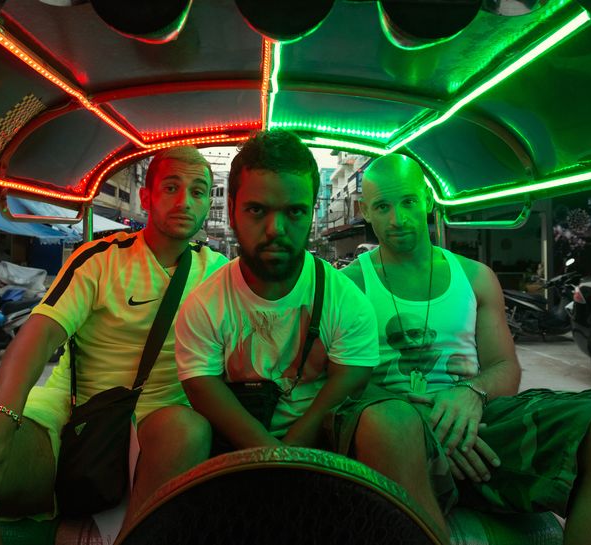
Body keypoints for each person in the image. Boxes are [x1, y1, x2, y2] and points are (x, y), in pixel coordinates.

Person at [0, 146, 228, 544]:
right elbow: (41, 332)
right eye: (171, 188)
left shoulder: (221, 274)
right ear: (146, 197)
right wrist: (0, 412)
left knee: (186, 429)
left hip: (163, 427)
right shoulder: (99, 259)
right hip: (75, 414)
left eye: (198, 191)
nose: (185, 202)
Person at [342, 154, 591, 545]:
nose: (398, 219)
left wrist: (471, 392)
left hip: (479, 428)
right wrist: (421, 422)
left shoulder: (475, 277)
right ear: (366, 211)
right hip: (393, 437)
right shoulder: (350, 286)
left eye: (408, 201)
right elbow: (339, 384)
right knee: (393, 426)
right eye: (383, 207)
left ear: (427, 199)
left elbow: (504, 368)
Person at [175, 130, 450, 540]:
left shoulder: (343, 297)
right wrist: (271, 454)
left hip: (327, 438)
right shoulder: (204, 304)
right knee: (173, 425)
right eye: (256, 210)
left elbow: (350, 377)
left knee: (393, 420)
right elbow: (201, 385)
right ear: (231, 210)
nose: (276, 229)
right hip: (233, 441)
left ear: (311, 213)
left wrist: (294, 449)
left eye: (294, 212)